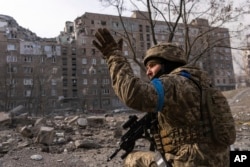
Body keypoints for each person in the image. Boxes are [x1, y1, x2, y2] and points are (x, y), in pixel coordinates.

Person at [92, 28, 232, 167]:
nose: (148, 72)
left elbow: (132, 94)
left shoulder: (174, 83)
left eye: (152, 66)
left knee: (131, 159)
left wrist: (114, 56)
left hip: (191, 162)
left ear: (168, 64)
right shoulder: (203, 84)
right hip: (219, 160)